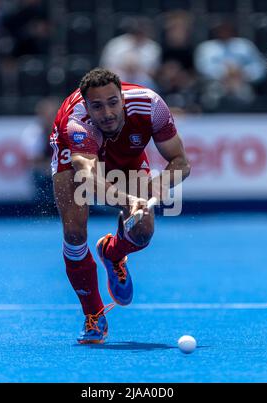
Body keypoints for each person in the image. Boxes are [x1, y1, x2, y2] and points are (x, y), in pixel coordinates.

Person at [50, 68, 190, 344]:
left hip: (126, 156)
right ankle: (94, 316)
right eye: (97, 106)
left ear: (123, 98)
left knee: (143, 231)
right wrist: (128, 200)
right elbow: (89, 179)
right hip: (77, 156)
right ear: (86, 105)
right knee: (74, 233)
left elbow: (181, 162)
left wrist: (160, 184)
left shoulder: (150, 105)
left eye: (113, 103)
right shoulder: (76, 122)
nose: (107, 113)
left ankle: (112, 252)